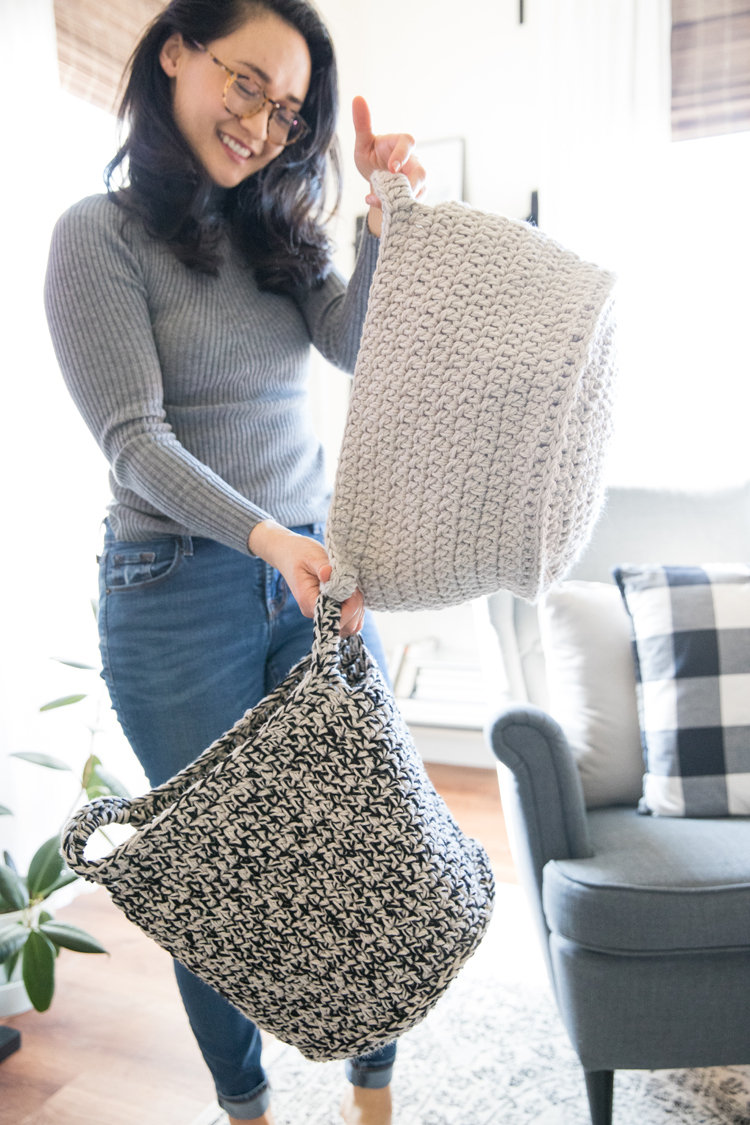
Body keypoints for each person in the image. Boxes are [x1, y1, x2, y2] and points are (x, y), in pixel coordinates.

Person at [44, 1, 426, 1122]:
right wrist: (269, 538)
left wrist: (383, 213)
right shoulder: (94, 237)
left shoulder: (279, 226)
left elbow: (354, 344)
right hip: (177, 602)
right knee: (222, 894)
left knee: (370, 845)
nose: (263, 124)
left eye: (289, 108)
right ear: (175, 52)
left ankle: (375, 1091)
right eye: (246, 82)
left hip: (312, 575)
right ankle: (245, 1105)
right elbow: (134, 440)